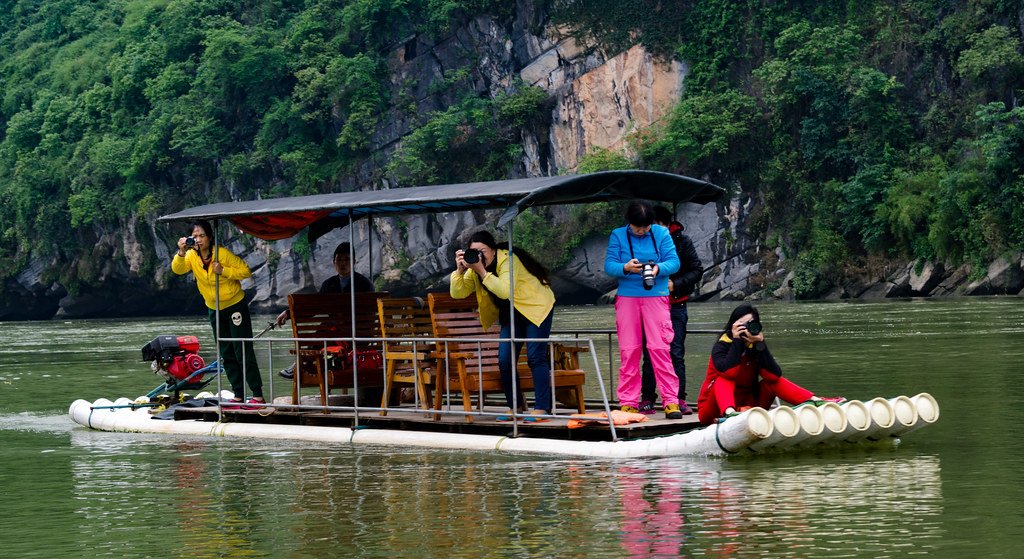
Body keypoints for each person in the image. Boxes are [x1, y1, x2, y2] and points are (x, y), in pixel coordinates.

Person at [450, 230, 556, 421]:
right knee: (505, 360)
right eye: (474, 251)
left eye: (483, 251)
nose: (479, 255)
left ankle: (542, 408)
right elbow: (458, 294)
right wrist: (459, 271)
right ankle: (515, 407)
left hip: (535, 307)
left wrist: (482, 271)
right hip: (511, 314)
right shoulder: (474, 268)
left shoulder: (508, 260)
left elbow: (505, 291)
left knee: (535, 357)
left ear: (493, 249)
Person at [696, 303, 845, 425]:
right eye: (742, 324)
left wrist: (761, 345)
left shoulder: (755, 345)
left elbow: (774, 376)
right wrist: (737, 341)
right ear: (733, 325)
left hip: (749, 404)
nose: (745, 328)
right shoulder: (721, 346)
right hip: (714, 409)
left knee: (770, 383)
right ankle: (730, 414)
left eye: (749, 324)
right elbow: (730, 373)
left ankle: (815, 401)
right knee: (723, 378)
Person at [604, 201, 683, 419]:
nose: (641, 231)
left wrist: (658, 268)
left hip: (656, 296)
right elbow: (609, 266)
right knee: (629, 350)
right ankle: (628, 402)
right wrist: (625, 267)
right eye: (637, 227)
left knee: (660, 348)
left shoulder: (661, 233)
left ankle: (671, 401)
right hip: (627, 297)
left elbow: (674, 262)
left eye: (645, 227)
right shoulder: (618, 235)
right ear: (629, 223)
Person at [172, 220, 264, 406]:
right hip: (214, 308)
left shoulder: (221, 254)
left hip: (234, 306)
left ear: (210, 237)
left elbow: (245, 271)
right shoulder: (190, 255)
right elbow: (178, 269)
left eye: (202, 236)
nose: (199, 240)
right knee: (226, 352)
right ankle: (238, 394)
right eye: (195, 236)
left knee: (242, 350)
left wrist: (223, 270)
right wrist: (180, 252)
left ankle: (258, 395)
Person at [638, 205, 703, 416]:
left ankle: (679, 399)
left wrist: (675, 284)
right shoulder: (642, 242)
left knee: (676, 353)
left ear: (667, 224)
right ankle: (647, 399)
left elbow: (696, 270)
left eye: (657, 225)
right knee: (650, 353)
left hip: (676, 305)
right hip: (649, 305)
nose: (653, 230)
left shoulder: (682, 241)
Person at [276, 242, 374, 380]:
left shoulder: (363, 284)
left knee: (324, 332)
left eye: (346, 259)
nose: (342, 263)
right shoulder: (329, 284)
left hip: (356, 334)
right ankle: (301, 365)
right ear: (334, 262)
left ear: (353, 262)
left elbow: (368, 314)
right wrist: (288, 313)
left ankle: (299, 365)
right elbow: (313, 308)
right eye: (339, 259)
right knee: (324, 331)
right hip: (333, 334)